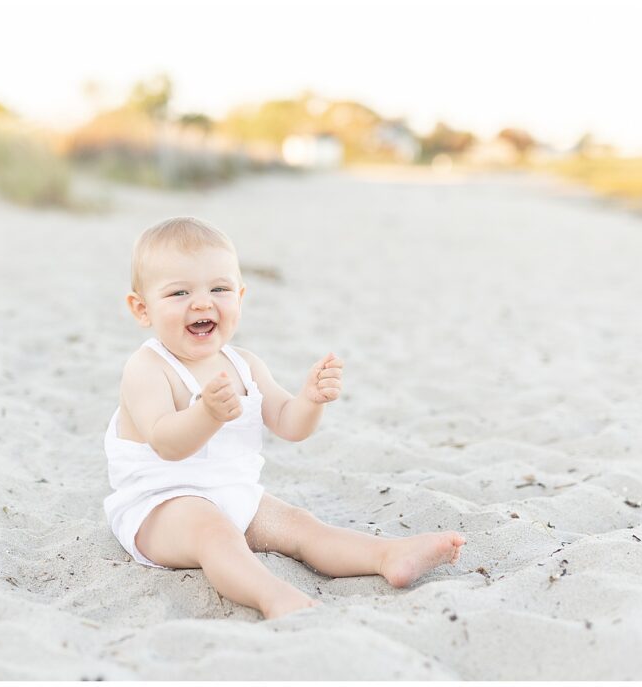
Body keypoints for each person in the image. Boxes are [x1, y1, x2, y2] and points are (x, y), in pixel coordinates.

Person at [103, 216, 466, 619]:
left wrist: (310, 400)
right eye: (179, 292)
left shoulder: (245, 364)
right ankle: (270, 595)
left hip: (232, 495)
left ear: (239, 296)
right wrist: (206, 413)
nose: (203, 302)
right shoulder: (147, 368)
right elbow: (166, 443)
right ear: (141, 308)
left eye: (219, 289)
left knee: (300, 525)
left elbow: (290, 425)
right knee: (214, 533)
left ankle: (387, 555)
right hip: (160, 508)